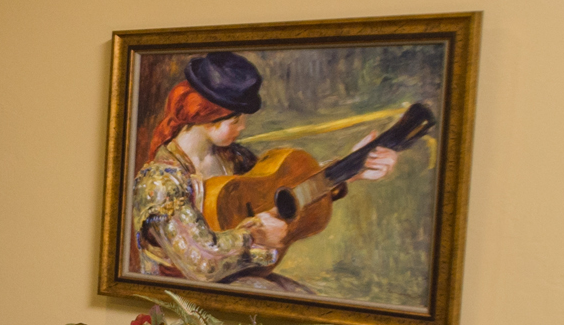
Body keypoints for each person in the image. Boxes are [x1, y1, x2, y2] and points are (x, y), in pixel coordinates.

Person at [129, 51, 396, 292]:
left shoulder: (234, 158)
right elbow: (202, 263)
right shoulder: (160, 182)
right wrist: (255, 235)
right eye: (236, 119)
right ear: (205, 116)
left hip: (237, 278)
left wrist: (347, 170)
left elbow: (281, 194)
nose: (243, 127)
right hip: (183, 296)